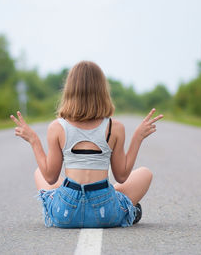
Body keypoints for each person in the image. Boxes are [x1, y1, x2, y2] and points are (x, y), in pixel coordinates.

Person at [10, 61, 163, 228]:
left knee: (41, 173)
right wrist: (137, 137)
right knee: (144, 173)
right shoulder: (115, 127)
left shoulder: (57, 127)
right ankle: (126, 210)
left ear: (69, 91)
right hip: (105, 212)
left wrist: (34, 140)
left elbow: (50, 177)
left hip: (65, 213)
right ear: (102, 91)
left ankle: (93, 202)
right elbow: (122, 176)